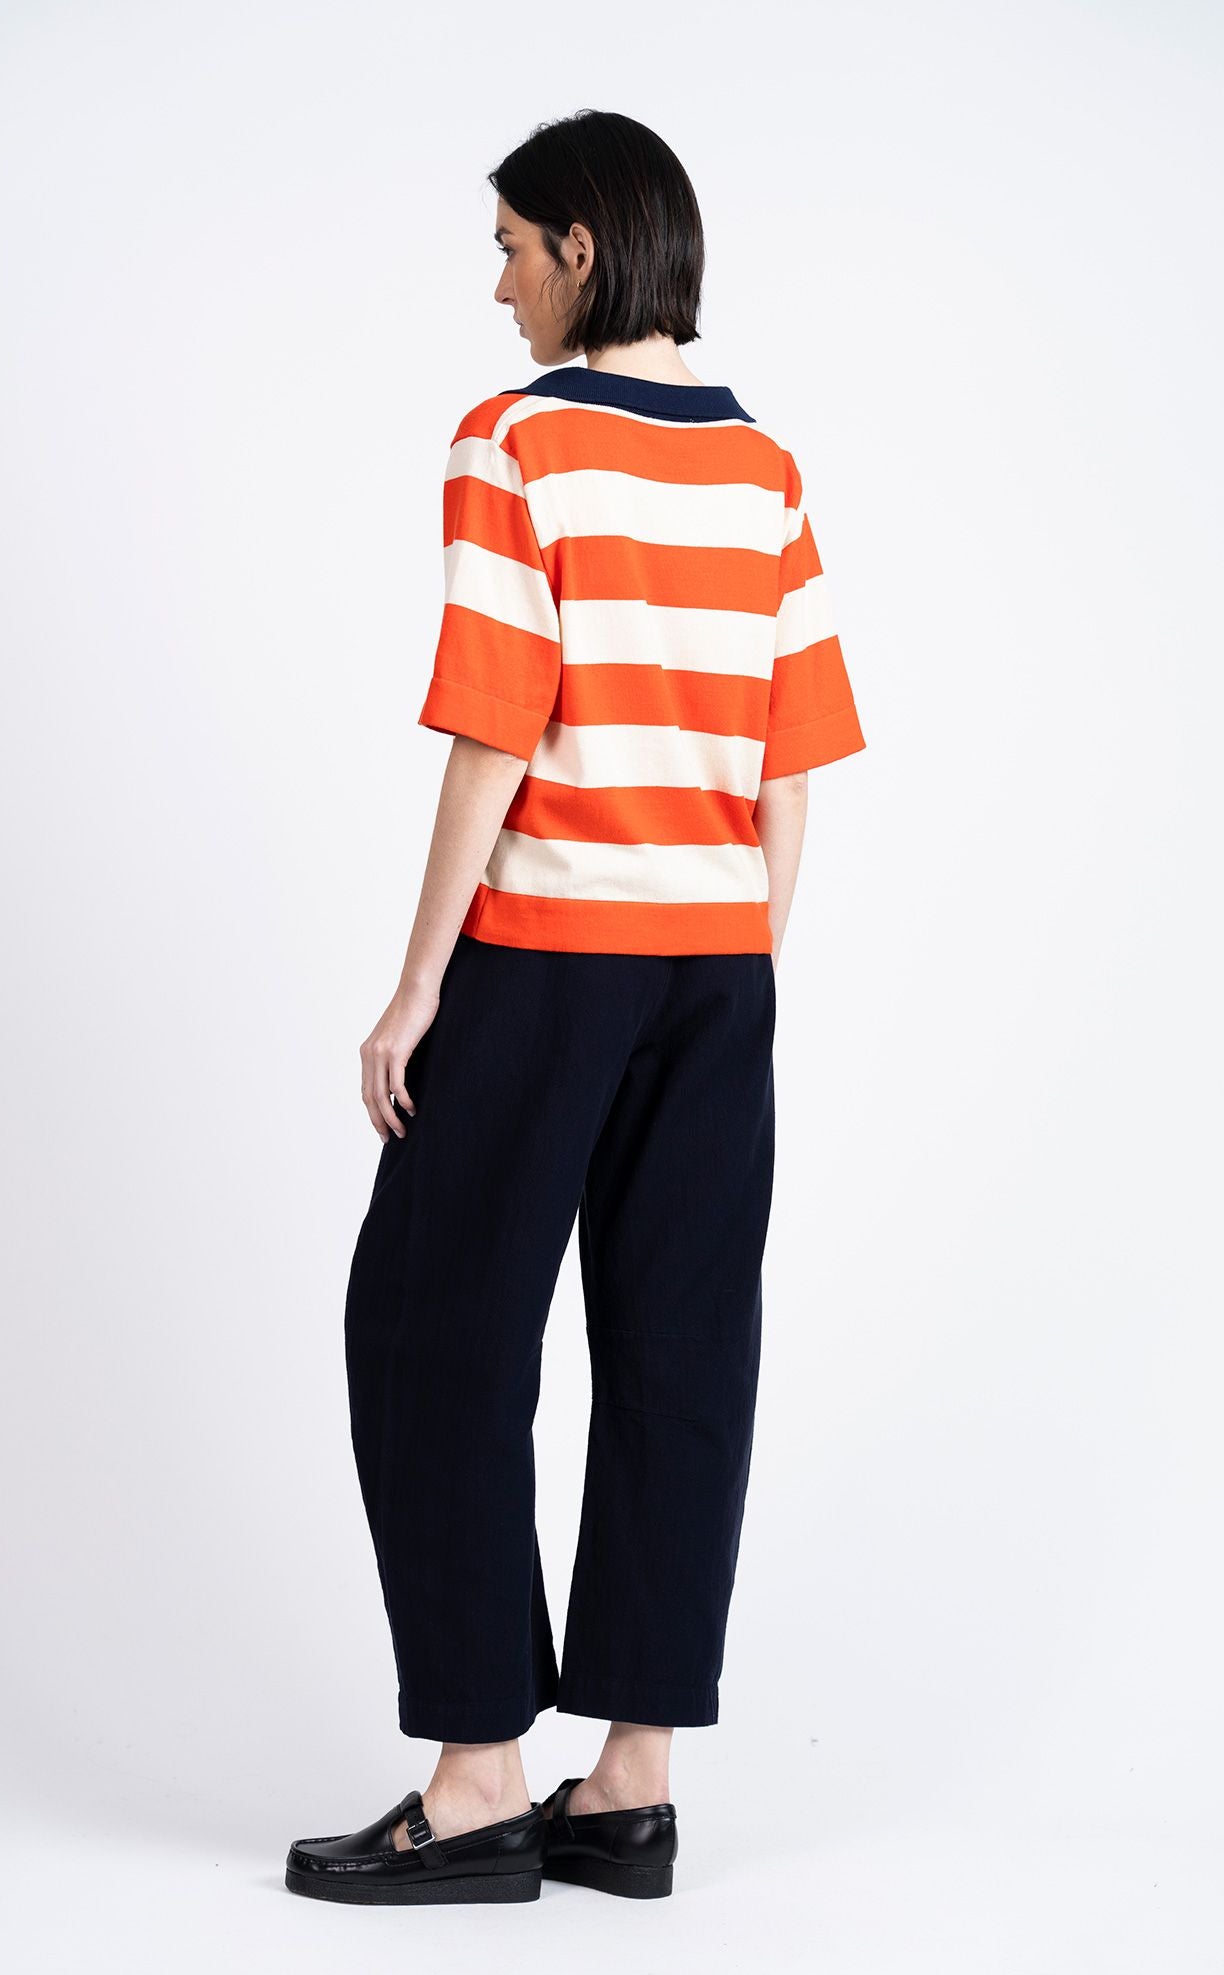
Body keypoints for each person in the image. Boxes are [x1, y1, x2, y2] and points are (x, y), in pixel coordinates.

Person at [286, 108, 866, 1909]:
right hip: (719, 973)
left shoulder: (518, 440)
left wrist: (417, 987)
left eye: (510, 248)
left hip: (544, 957)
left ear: (583, 251)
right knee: (682, 1352)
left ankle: (475, 1785)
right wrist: (734, 967)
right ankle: (629, 1784)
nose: (499, 286)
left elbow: (494, 725)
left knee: (434, 1329)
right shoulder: (764, 467)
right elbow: (788, 766)